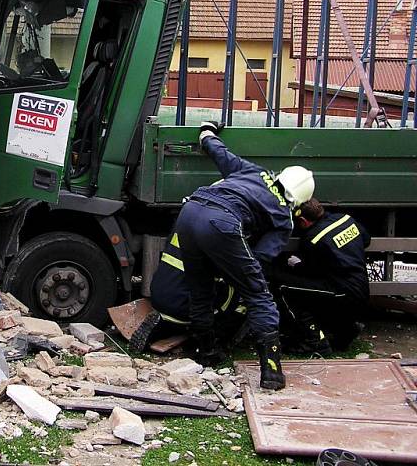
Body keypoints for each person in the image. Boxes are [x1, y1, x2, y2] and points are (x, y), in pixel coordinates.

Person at [174, 122, 315, 390]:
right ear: (299, 200)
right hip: (222, 222)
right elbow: (259, 260)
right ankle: (272, 372)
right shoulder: (284, 216)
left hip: (190, 211)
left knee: (199, 289)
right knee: (258, 294)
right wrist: (233, 270)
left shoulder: (256, 173)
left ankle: (207, 353)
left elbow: (220, 153)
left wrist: (206, 132)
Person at [267, 198, 370, 353]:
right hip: (361, 288)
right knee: (318, 289)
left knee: (283, 287)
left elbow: (311, 272)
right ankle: (345, 330)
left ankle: (314, 341)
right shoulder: (346, 219)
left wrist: (296, 265)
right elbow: (366, 240)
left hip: (342, 292)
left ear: (302, 220)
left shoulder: (313, 238)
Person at [129, 232, 246, 353]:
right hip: (181, 305)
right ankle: (212, 340)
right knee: (232, 295)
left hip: (158, 292)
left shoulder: (184, 223)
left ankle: (163, 326)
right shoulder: (224, 239)